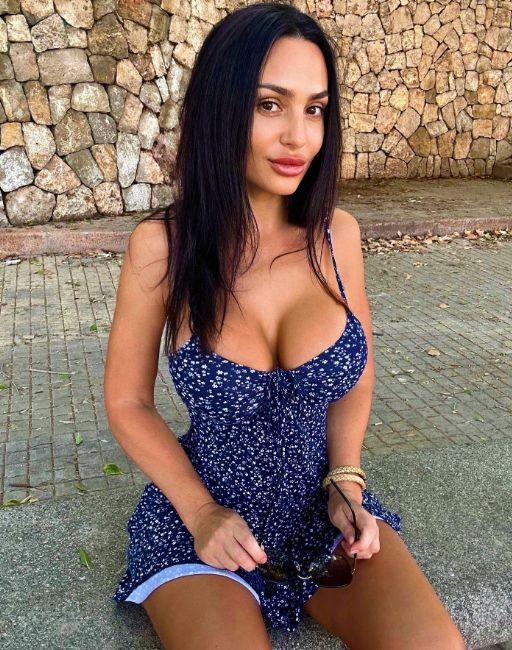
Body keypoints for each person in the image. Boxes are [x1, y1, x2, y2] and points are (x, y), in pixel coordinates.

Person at [104, 3, 466, 648]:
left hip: (321, 514)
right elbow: (128, 401)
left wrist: (345, 480)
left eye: (315, 109)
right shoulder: (164, 246)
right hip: (202, 519)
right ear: (221, 106)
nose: (299, 137)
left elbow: (357, 374)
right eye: (270, 104)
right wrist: (200, 511)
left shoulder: (337, 237)